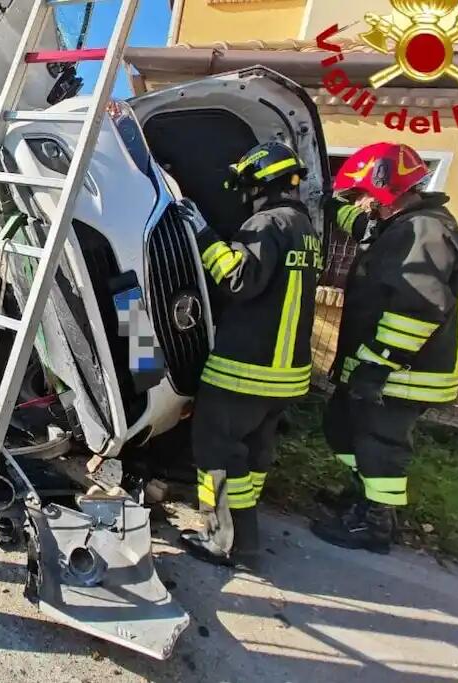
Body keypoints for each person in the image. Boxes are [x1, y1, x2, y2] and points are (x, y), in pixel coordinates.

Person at [311, 142, 458, 554]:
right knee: (343, 427)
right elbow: (359, 225)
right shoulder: (402, 225)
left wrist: (379, 365)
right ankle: (362, 498)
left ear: (383, 190)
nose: (359, 203)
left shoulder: (423, 231)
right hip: (383, 365)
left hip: (402, 373)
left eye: (361, 193)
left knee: (380, 442)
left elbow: (417, 306)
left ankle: (376, 524)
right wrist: (324, 200)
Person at [177, 141, 321, 569]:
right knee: (253, 456)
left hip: (245, 371)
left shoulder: (266, 223)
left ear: (258, 181)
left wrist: (202, 233)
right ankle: (247, 535)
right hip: (285, 377)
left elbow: (237, 278)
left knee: (215, 454)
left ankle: (221, 540)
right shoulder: (304, 227)